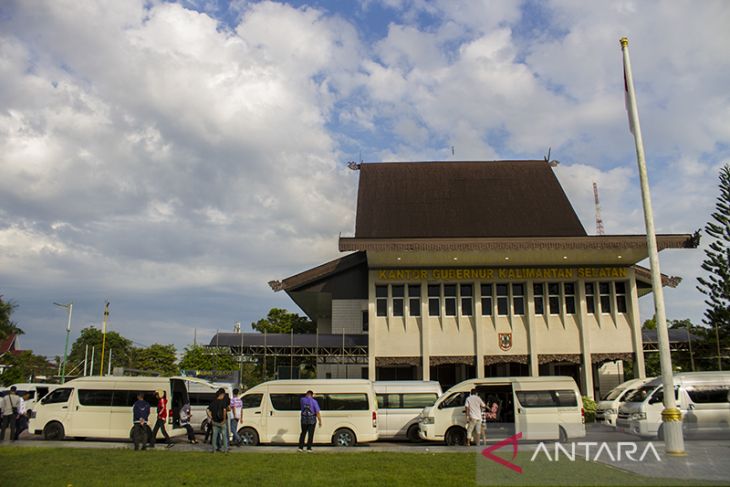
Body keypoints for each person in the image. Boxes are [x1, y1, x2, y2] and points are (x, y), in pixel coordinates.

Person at [207, 388, 229, 453]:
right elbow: (224, 410)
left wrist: (211, 417)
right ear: (221, 395)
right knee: (224, 436)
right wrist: (224, 419)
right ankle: (225, 450)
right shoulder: (223, 402)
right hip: (222, 422)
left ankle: (214, 450)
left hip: (215, 422)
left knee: (214, 436)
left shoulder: (213, 402)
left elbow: (207, 410)